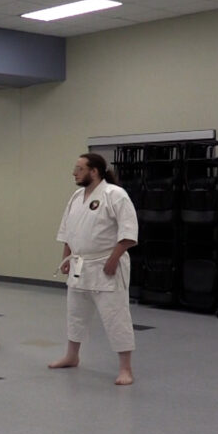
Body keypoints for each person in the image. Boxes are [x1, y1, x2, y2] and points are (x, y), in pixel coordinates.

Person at [51, 153, 138, 385]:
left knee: (116, 317)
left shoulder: (115, 195)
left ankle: (126, 368)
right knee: (75, 314)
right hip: (80, 265)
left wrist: (113, 259)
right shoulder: (76, 197)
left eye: (79, 169)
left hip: (106, 265)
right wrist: (66, 258)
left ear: (95, 171)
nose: (74, 173)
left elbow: (129, 232)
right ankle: (72, 356)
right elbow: (67, 231)